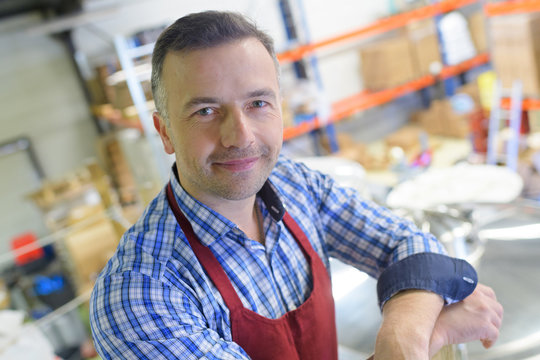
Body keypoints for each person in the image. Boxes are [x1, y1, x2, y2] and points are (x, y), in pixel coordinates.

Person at [90, 10, 503, 360]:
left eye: (258, 103)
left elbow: (410, 245)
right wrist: (437, 333)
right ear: (164, 133)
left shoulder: (294, 184)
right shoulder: (140, 292)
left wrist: (402, 337)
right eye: (206, 110)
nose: (241, 136)